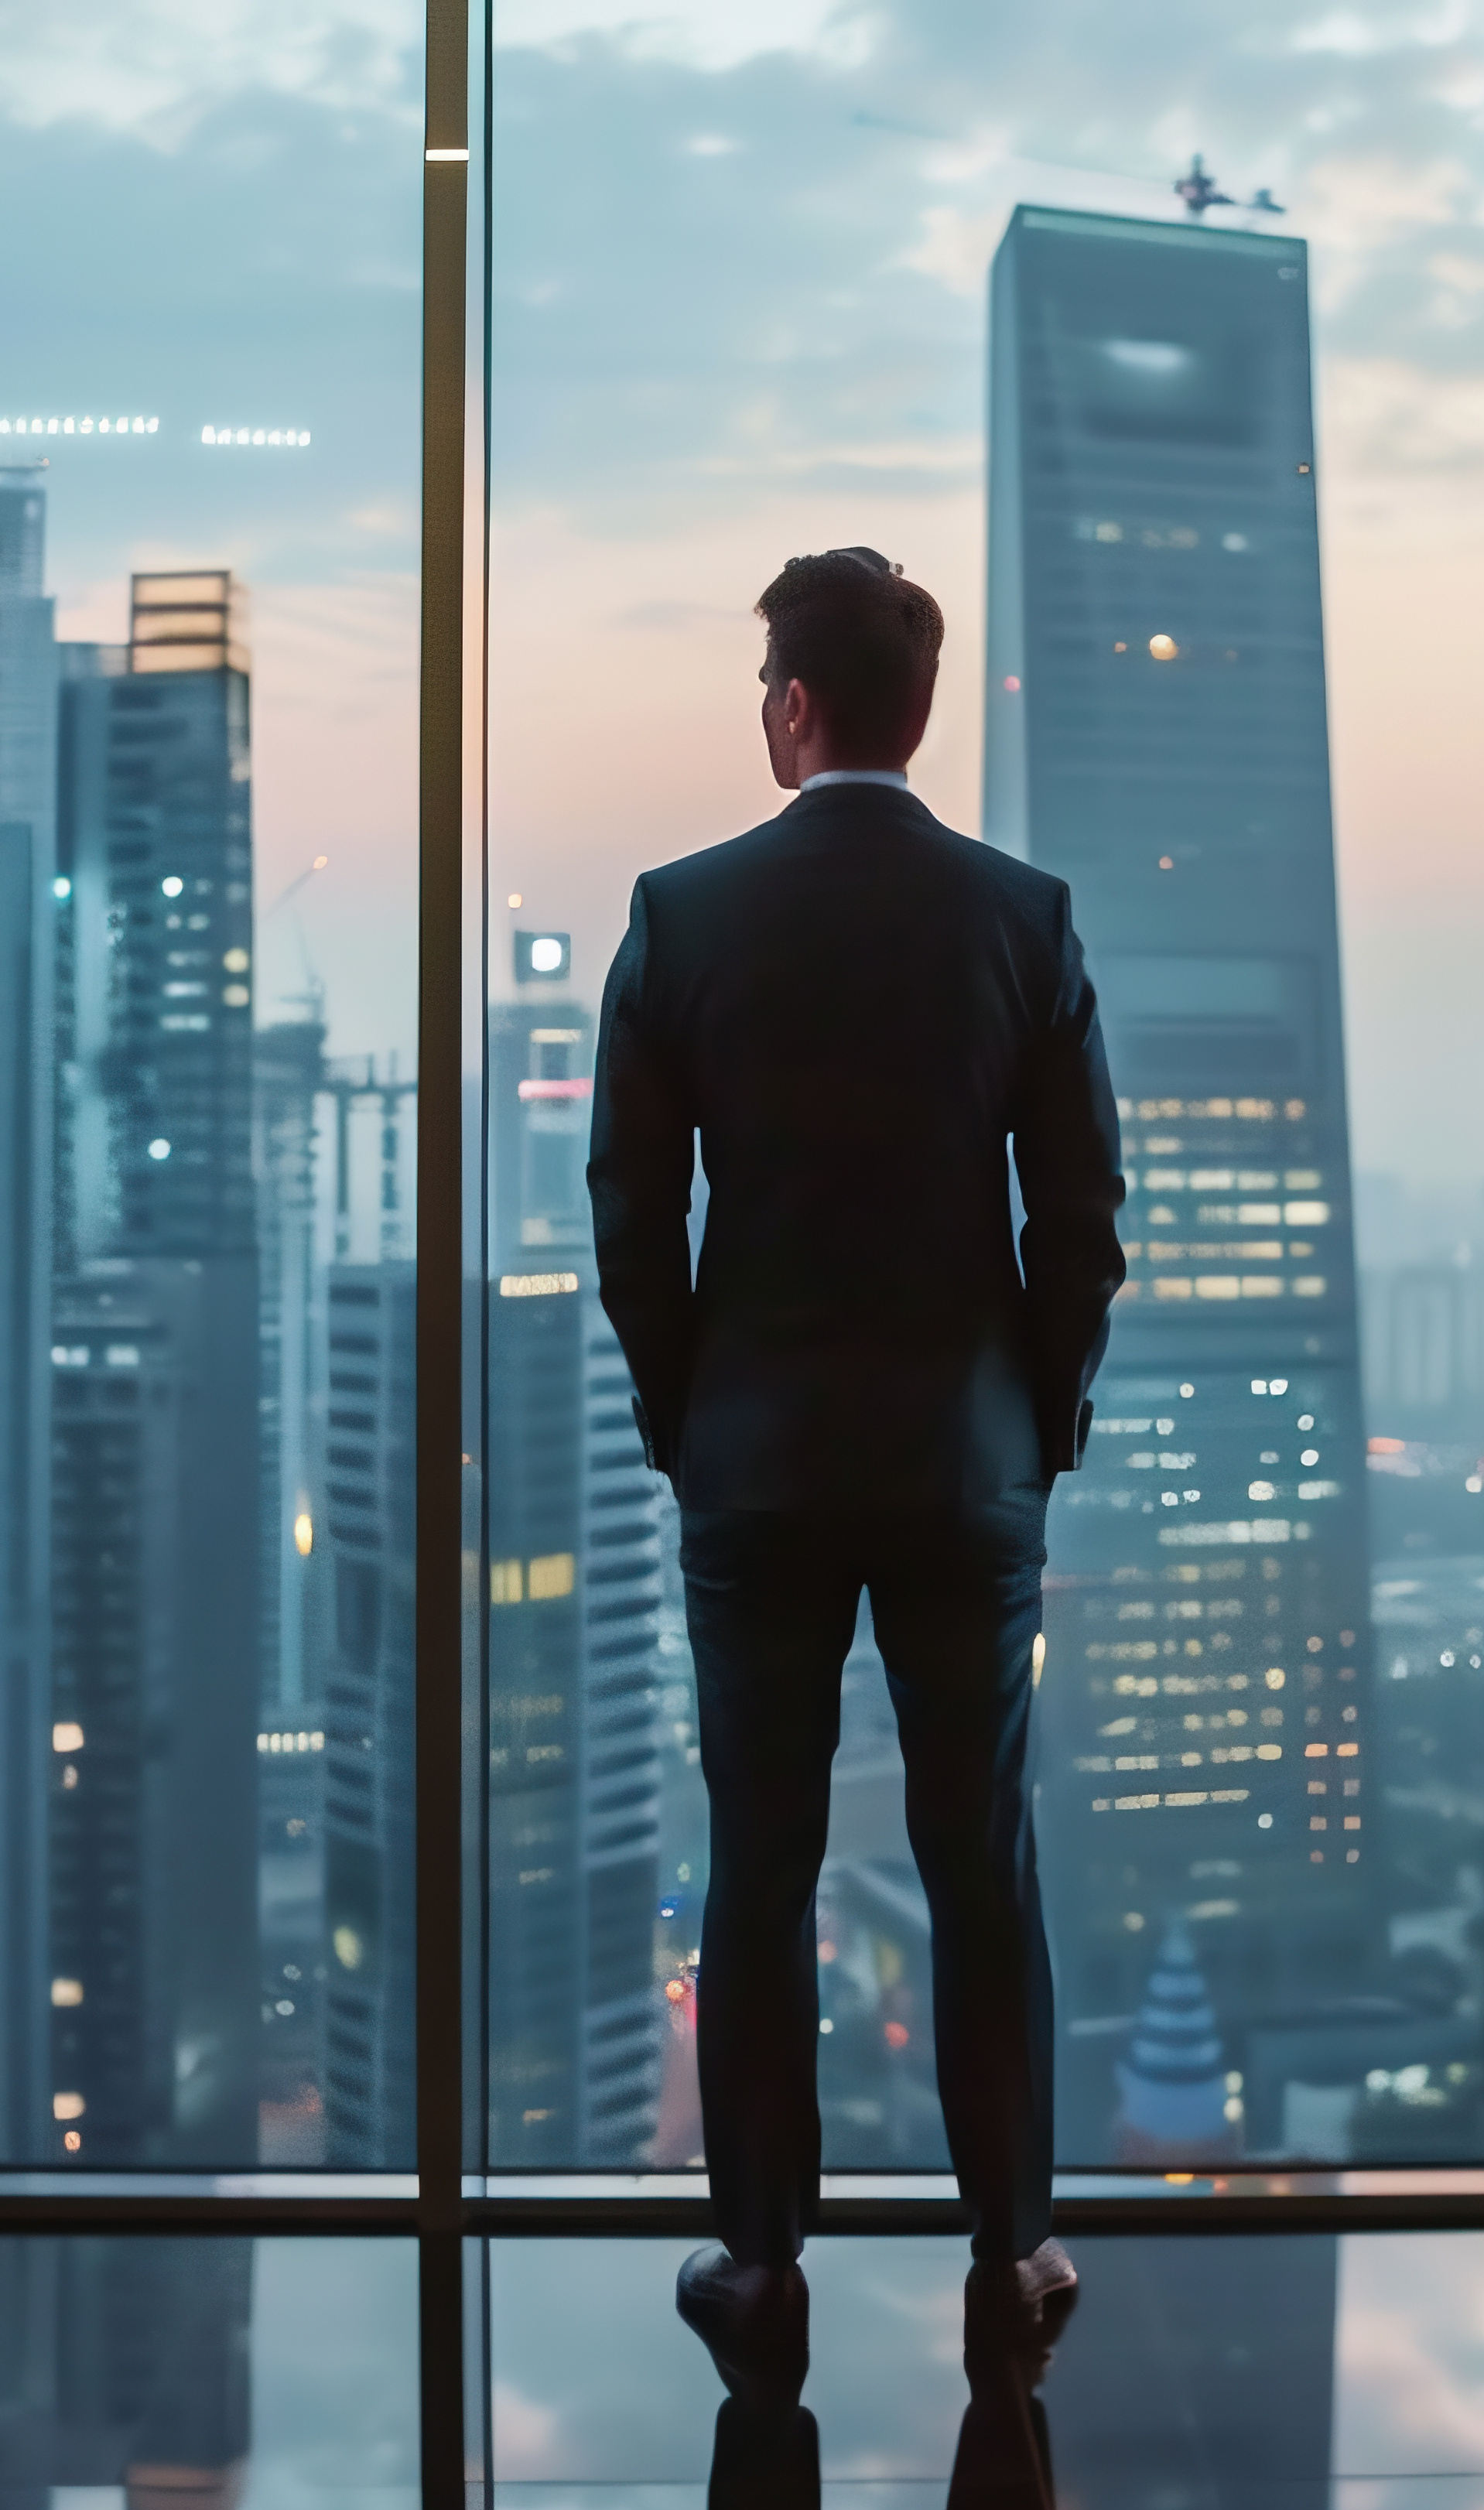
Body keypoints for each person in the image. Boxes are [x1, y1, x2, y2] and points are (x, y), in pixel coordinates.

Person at [589, 547, 1124, 2403]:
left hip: (755, 1468)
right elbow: (1080, 1223)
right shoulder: (1022, 920)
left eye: (763, 691)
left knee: (760, 1860)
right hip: (963, 1461)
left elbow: (630, 1218)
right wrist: (1030, 1427)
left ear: (794, 707)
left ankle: (756, 2265)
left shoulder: (681, 915)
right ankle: (1016, 2251)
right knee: (979, 1860)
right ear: (916, 707)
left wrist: (689, 1418)